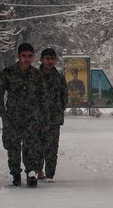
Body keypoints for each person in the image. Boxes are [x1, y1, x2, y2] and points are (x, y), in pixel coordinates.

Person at [0, 42, 45, 188]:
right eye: (24, 56)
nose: (27, 59)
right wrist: (3, 114)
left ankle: (31, 173)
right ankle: (15, 174)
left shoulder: (37, 75)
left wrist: (41, 116)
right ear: (18, 56)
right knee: (13, 147)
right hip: (13, 117)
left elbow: (43, 97)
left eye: (29, 56)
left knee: (31, 146)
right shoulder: (8, 73)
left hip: (31, 117)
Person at [37, 47, 68, 182]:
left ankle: (50, 175)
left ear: (55, 60)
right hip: (36, 118)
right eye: (47, 58)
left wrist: (57, 111)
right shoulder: (34, 76)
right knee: (36, 146)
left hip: (54, 119)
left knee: (52, 148)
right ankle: (38, 171)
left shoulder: (59, 78)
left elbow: (64, 97)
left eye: (52, 59)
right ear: (41, 60)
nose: (49, 62)